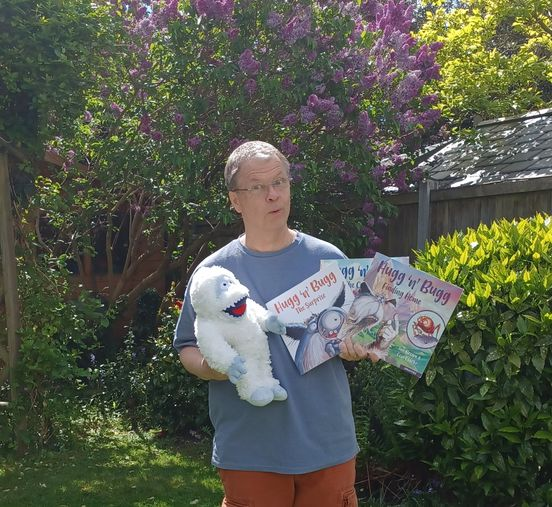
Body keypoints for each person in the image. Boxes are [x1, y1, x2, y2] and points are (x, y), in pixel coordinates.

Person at [174, 140, 377, 507]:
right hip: (250, 449)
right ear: (235, 200)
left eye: (280, 182)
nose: (272, 195)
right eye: (257, 186)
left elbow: (354, 335)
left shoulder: (328, 259)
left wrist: (357, 349)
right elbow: (187, 345)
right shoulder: (213, 273)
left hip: (326, 445)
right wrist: (214, 368)